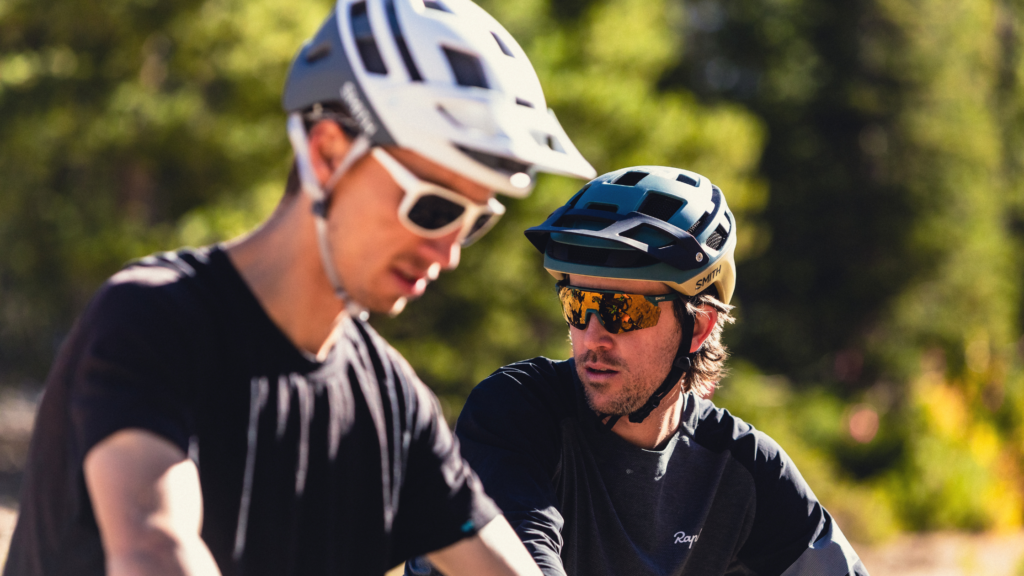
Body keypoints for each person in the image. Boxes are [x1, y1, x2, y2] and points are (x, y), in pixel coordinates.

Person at [3, 1, 595, 575]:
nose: (450, 252)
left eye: (475, 220)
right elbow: (154, 548)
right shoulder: (154, 318)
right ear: (328, 152)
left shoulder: (390, 401)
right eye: (434, 207)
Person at [409, 166, 868, 576]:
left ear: (698, 326)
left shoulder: (741, 471)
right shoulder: (516, 412)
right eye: (577, 304)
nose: (592, 337)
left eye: (623, 311)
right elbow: (518, 559)